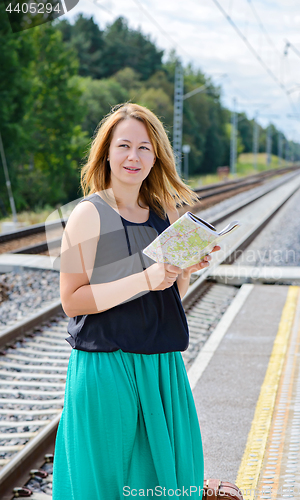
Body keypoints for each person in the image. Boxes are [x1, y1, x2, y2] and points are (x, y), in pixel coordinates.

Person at [52, 103, 220, 499]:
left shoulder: (162, 212)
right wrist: (144, 277)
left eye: (145, 148)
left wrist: (183, 271)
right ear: (106, 153)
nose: (134, 156)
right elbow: (71, 300)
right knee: (107, 485)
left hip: (162, 366)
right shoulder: (88, 215)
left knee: (172, 481)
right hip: (108, 367)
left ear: (156, 155)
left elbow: (167, 296)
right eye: (124, 145)